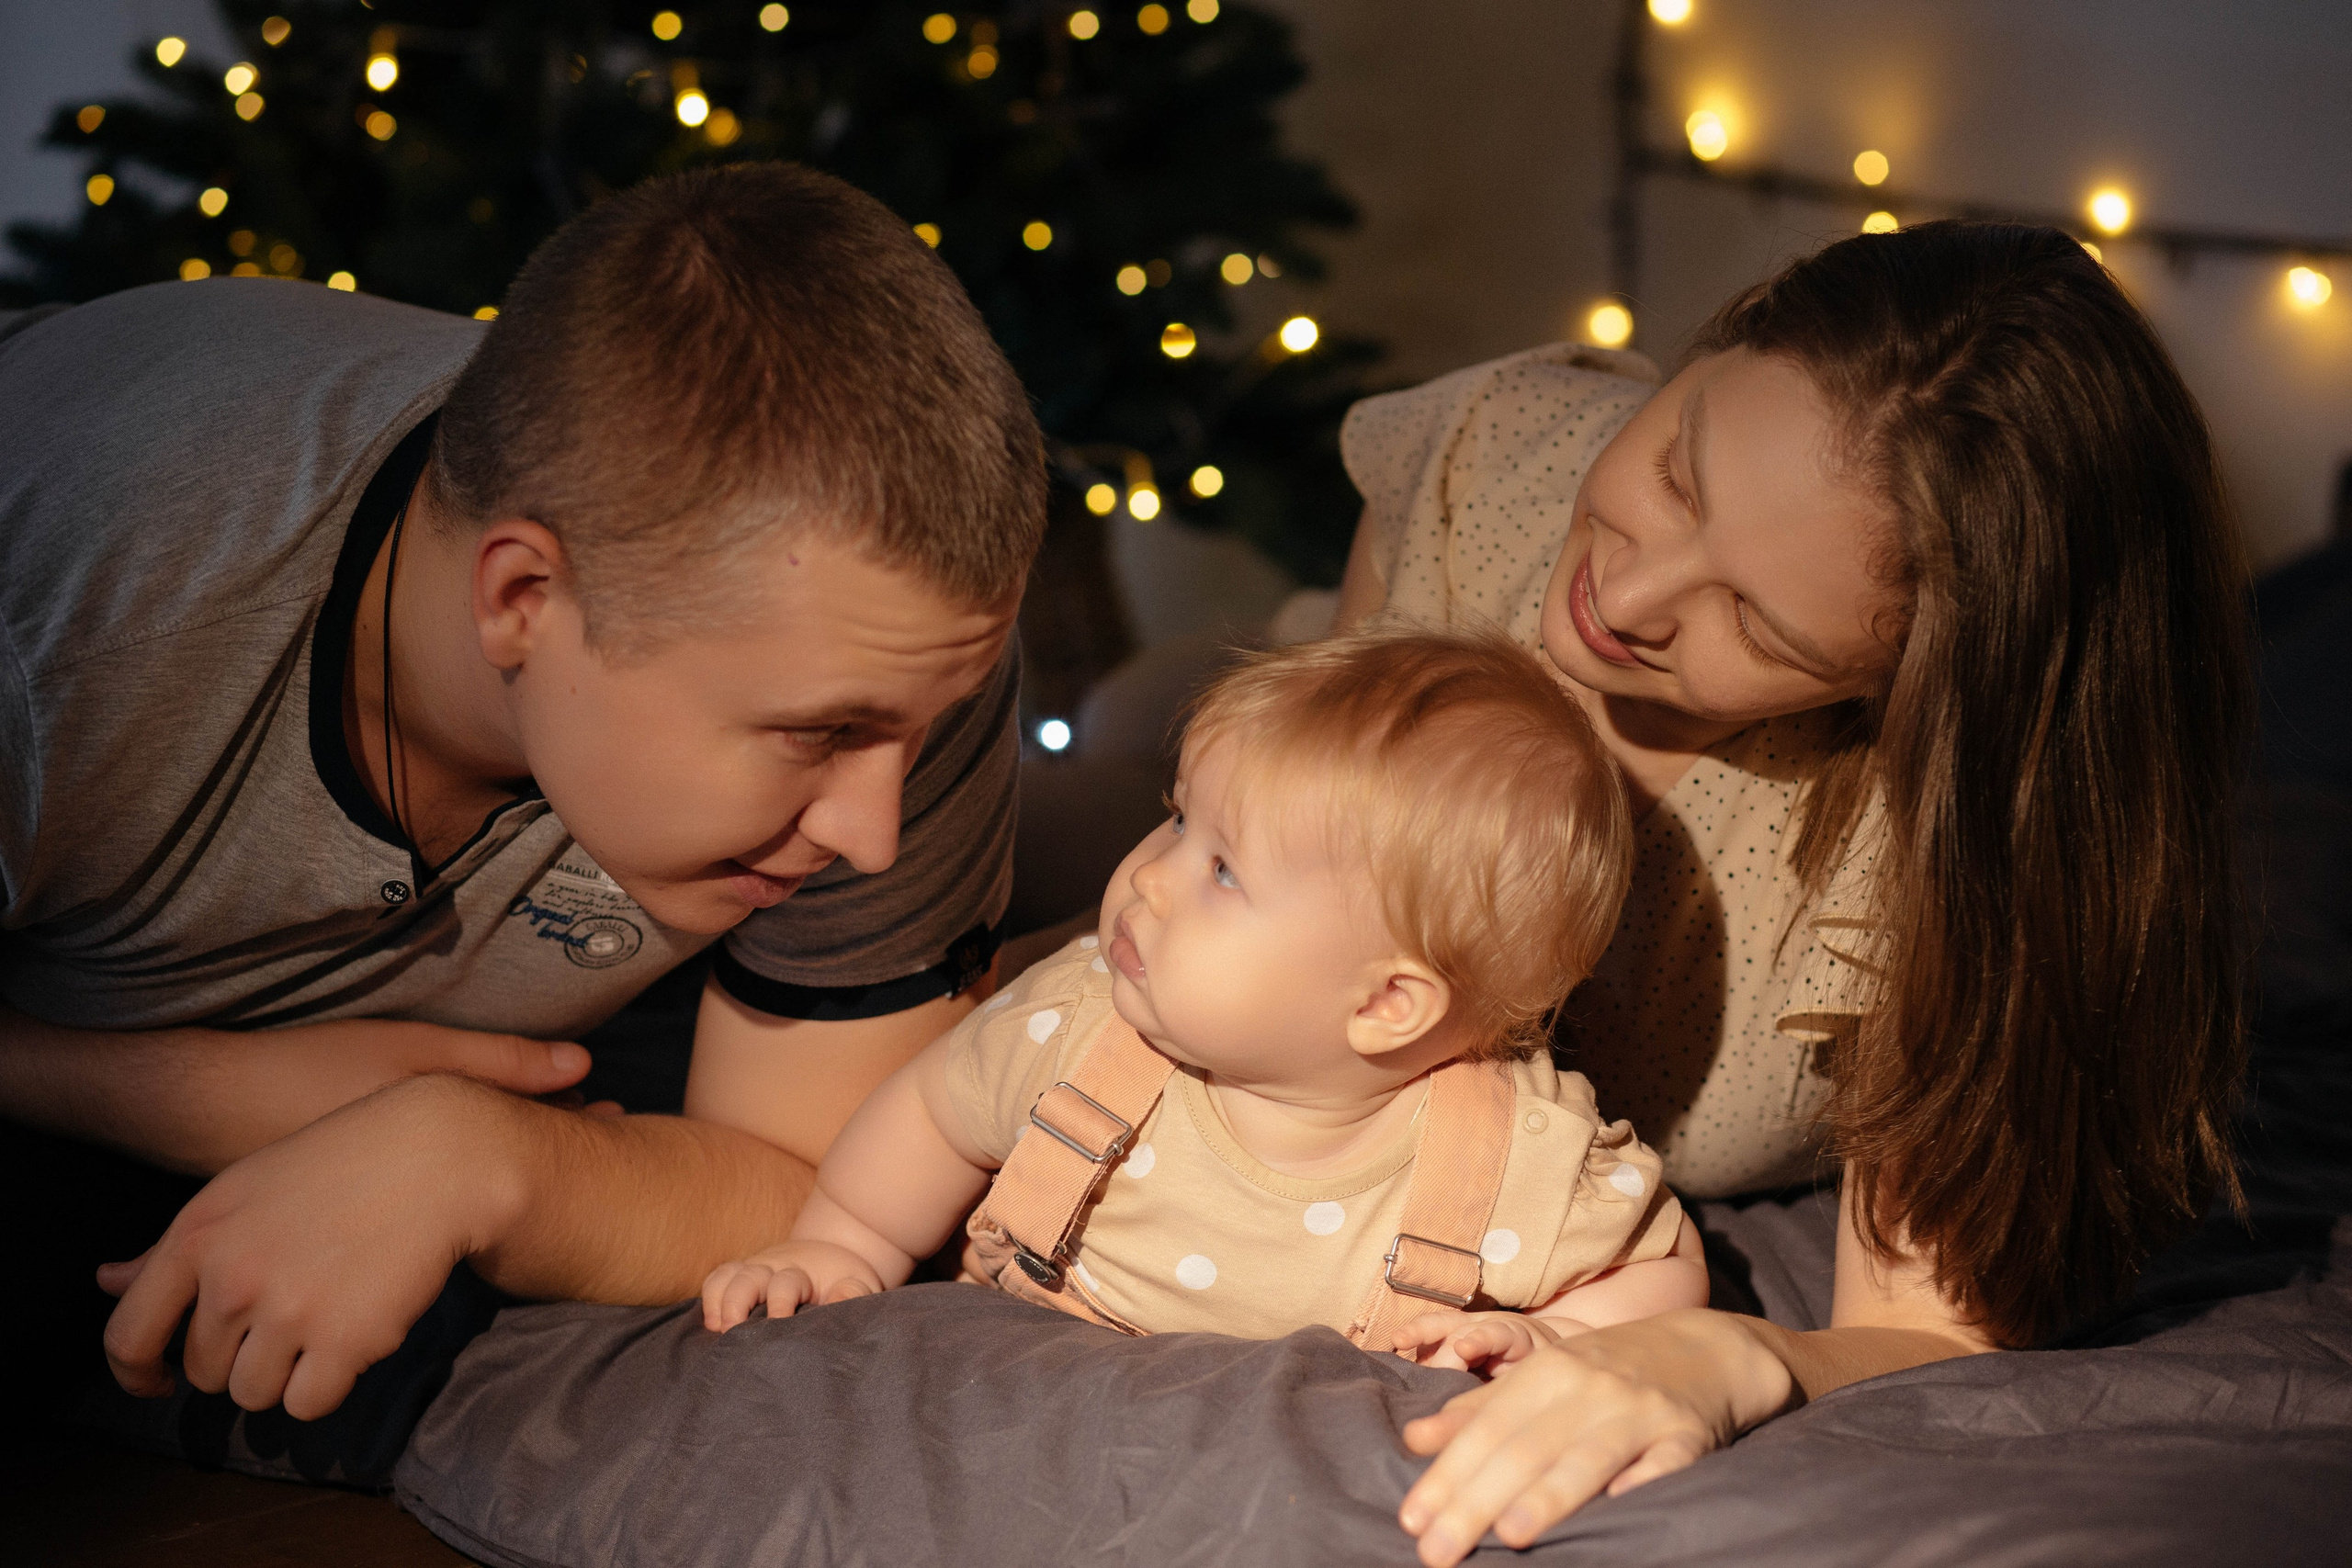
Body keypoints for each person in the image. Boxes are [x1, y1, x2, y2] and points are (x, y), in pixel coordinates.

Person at [0, 163, 1045, 1425]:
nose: (876, 836)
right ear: (522, 602)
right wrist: (171, 1092)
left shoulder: (891, 645)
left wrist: (478, 1153)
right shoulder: (65, 625)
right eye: (813, 737)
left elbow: (829, 1193)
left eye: (908, 741)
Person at [1327, 222, 2249, 1566]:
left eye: (1760, 625)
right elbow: (1290, 823)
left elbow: (1925, 1324)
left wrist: (1727, 1355)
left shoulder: (1927, 839)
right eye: (1677, 471)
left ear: (1896, 688)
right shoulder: (1497, 452)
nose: (1624, 595)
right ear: (1715, 344)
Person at [700, 631, 1710, 1354]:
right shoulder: (1079, 1024)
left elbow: (1659, 1276)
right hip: (1032, 1388)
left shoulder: (1513, 1161)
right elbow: (934, 1113)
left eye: (1222, 869)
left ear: (1386, 1006)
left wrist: (1558, 1341)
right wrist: (844, 1245)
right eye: (1177, 820)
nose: (1146, 874)